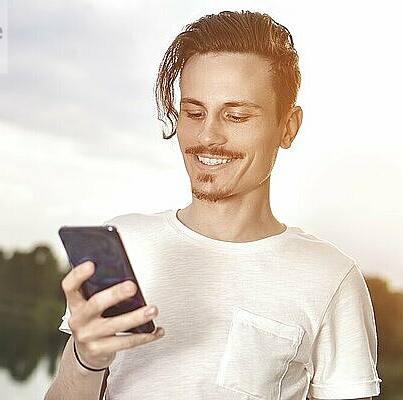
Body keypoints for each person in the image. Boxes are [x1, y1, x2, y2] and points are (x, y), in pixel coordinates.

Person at [45, 10, 382, 400]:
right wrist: (86, 357)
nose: (207, 136)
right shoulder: (127, 244)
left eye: (235, 115)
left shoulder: (331, 278)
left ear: (288, 127)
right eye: (194, 112)